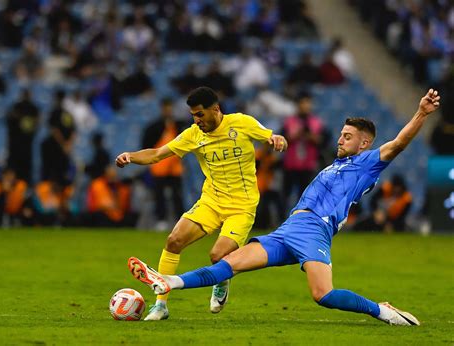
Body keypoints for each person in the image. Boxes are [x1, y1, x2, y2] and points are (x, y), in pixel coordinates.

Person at [127, 89, 441, 326]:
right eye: (341, 134)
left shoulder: (366, 164)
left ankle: (383, 312)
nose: (340, 140)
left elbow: (398, 143)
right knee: (228, 263)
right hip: (289, 228)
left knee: (324, 296)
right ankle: (168, 282)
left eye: (348, 137)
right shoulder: (334, 164)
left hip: (315, 230)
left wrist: (421, 114)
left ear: (364, 144)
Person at [115, 86, 287, 321]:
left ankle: (222, 279)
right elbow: (157, 154)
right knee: (174, 240)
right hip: (211, 201)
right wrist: (130, 156)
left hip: (242, 206)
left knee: (218, 256)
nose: (196, 120)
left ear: (215, 109)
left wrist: (277, 139)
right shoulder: (193, 135)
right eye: (193, 115)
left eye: (199, 114)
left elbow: (270, 136)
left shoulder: (241, 123)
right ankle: (161, 306)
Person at [142, 98, 188, 230]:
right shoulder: (154, 126)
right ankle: (161, 220)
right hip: (159, 166)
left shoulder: (178, 125)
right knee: (159, 195)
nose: (168, 110)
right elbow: (146, 145)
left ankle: (180, 222)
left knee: (177, 195)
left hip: (175, 166)